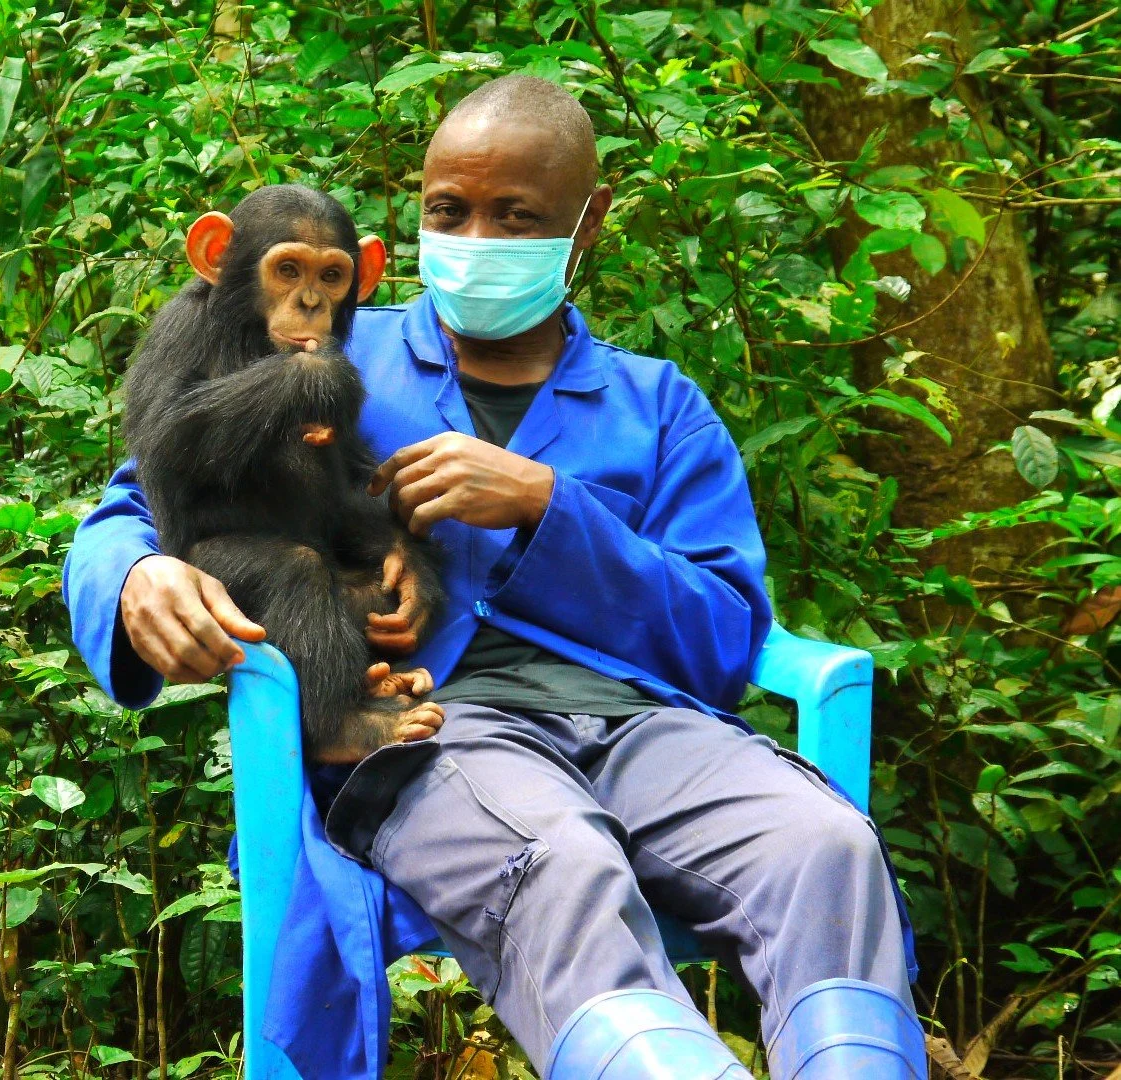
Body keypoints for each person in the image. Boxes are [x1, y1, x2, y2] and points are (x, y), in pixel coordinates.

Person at [64, 76, 925, 1080]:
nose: (476, 235)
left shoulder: (658, 404)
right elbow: (138, 501)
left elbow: (727, 642)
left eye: (514, 215)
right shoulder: (338, 350)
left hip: (646, 725)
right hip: (438, 727)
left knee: (829, 848)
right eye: (448, 211)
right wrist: (132, 582)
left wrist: (546, 507)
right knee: (561, 861)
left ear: (586, 221)